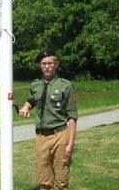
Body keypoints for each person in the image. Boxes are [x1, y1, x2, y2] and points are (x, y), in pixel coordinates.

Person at [19, 49, 78, 190]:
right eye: (43, 63)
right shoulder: (35, 85)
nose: (47, 66)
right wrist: (26, 107)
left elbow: (72, 118)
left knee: (61, 181)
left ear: (56, 64)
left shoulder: (66, 85)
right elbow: (32, 101)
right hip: (41, 138)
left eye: (50, 63)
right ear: (40, 65)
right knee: (44, 181)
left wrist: (70, 144)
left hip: (60, 136)